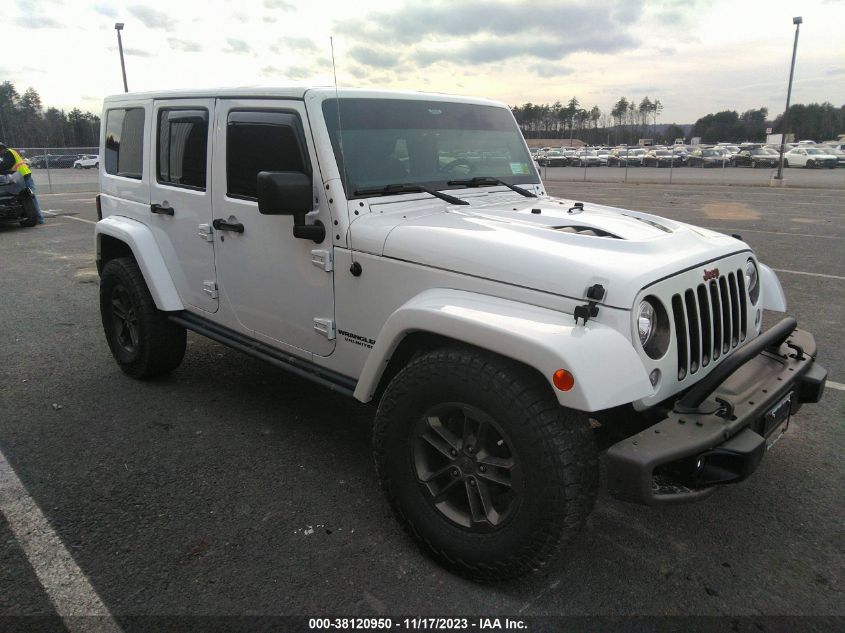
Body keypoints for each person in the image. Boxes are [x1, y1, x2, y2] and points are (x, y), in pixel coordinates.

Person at [0, 141, 44, 224]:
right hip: (20, 176)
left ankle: (39, 219)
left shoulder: (8, 153)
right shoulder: (7, 153)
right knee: (28, 197)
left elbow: (6, 165)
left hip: (22, 176)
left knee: (28, 197)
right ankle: (37, 218)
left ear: (2, 149)